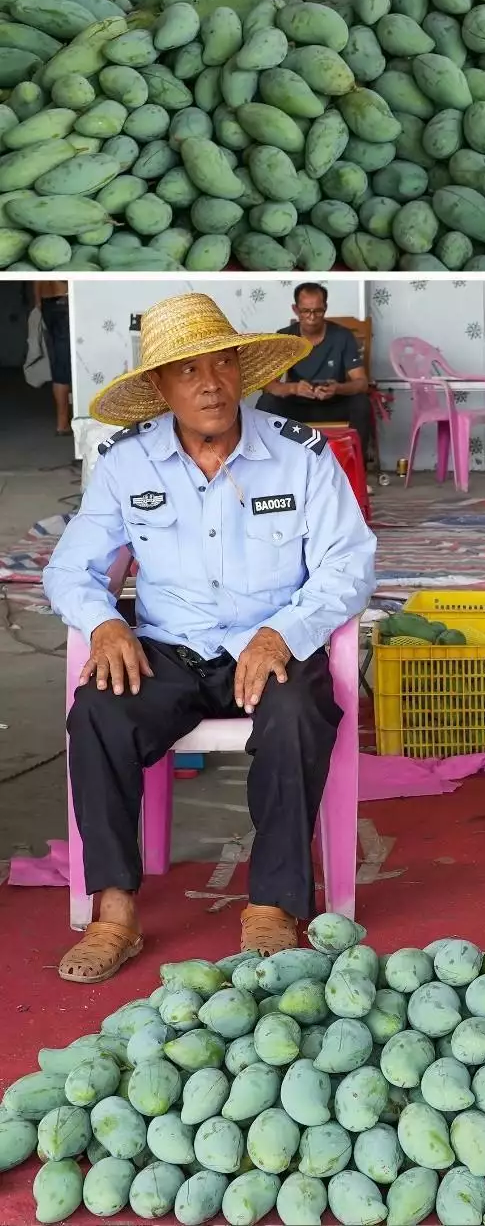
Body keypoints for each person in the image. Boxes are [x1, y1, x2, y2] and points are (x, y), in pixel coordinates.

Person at [45, 292, 376, 985]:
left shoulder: (300, 456)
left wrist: (281, 635)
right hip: (168, 648)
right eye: (188, 371)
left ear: (243, 373)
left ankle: (273, 904)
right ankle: (113, 912)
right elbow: (69, 567)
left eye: (223, 363)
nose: (210, 383)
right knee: (98, 710)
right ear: (160, 388)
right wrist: (104, 622)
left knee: (295, 714)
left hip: (271, 642)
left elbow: (350, 563)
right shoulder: (126, 462)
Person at [256, 284, 374, 469]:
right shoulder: (284, 337)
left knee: (361, 403)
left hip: (333, 404)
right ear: (296, 309)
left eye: (317, 311)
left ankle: (357, 471)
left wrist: (338, 388)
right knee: (266, 403)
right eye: (305, 311)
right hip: (297, 406)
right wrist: (294, 388)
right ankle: (269, 469)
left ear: (325, 307)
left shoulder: (342, 336)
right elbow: (269, 385)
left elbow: (361, 383)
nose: (311, 317)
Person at [34, 281, 71, 435]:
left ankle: (62, 422)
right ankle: (62, 424)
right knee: (64, 363)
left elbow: (36, 279)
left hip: (46, 301)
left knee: (59, 362)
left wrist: (38, 303)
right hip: (64, 298)